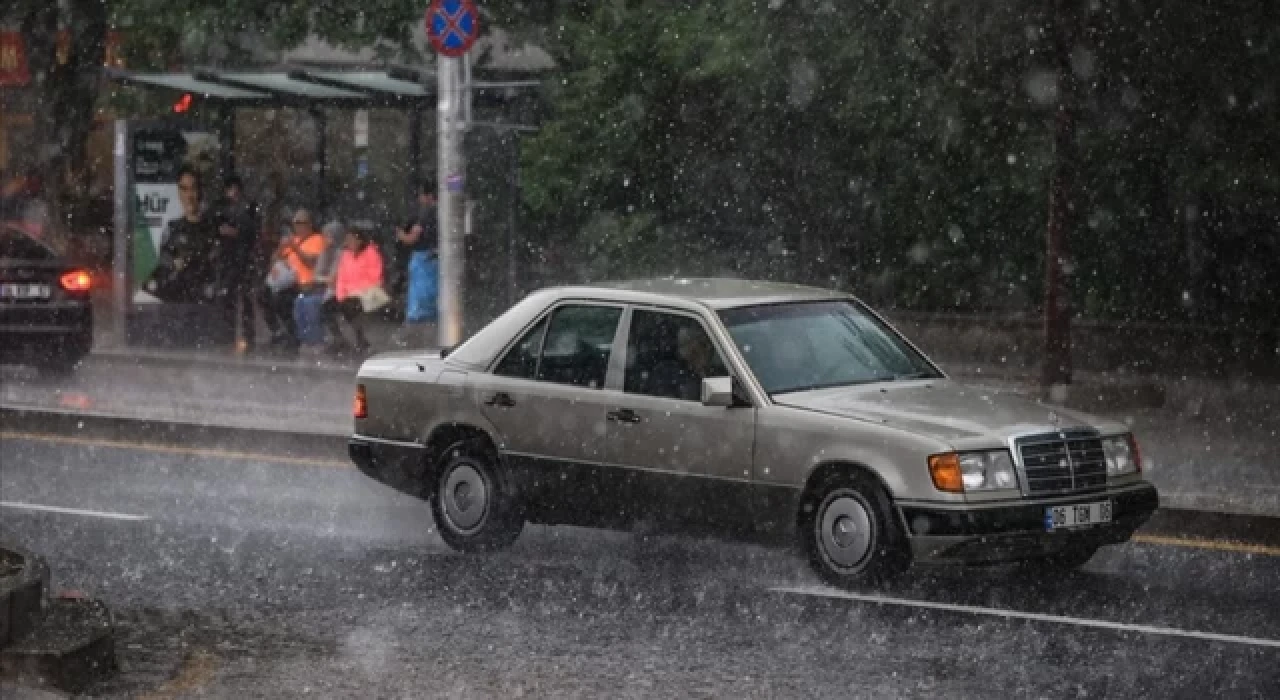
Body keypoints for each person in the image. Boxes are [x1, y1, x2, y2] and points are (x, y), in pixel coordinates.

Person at [147, 166, 221, 304]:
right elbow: (163, 261)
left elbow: (218, 265)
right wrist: (174, 264)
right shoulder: (173, 228)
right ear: (178, 192)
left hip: (205, 304)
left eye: (193, 188)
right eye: (183, 189)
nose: (189, 195)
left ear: (200, 191)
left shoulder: (213, 228)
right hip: (176, 303)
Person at [259, 208, 326, 351]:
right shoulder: (292, 240)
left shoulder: (317, 240)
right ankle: (278, 330)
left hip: (305, 284)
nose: (297, 226)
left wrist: (295, 248)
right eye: (295, 223)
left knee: (282, 300)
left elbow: (311, 262)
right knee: (263, 294)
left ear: (309, 224)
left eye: (301, 223)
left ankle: (294, 334)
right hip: (287, 281)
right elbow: (273, 259)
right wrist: (280, 251)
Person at [324, 223, 385, 356]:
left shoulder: (371, 253)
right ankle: (339, 339)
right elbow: (341, 277)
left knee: (350, 306)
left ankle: (361, 340)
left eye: (351, 239)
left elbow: (374, 277)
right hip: (349, 294)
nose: (348, 242)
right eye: (347, 239)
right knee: (327, 306)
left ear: (359, 240)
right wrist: (341, 295)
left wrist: (355, 291)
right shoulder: (346, 255)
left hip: (370, 293)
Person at [215, 175, 261, 353]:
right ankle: (230, 335)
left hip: (242, 258)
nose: (232, 194)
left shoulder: (247, 208)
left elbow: (251, 231)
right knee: (229, 297)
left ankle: (247, 336)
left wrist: (236, 232)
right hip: (230, 258)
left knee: (244, 298)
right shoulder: (223, 208)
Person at [394, 180, 439, 344]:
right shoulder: (444, 212)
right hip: (435, 259)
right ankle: (427, 333)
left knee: (419, 299)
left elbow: (412, 238)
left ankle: (409, 333)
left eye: (421, 195)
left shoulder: (426, 214)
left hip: (423, 259)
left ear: (428, 196)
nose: (420, 199)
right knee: (431, 297)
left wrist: (400, 234)